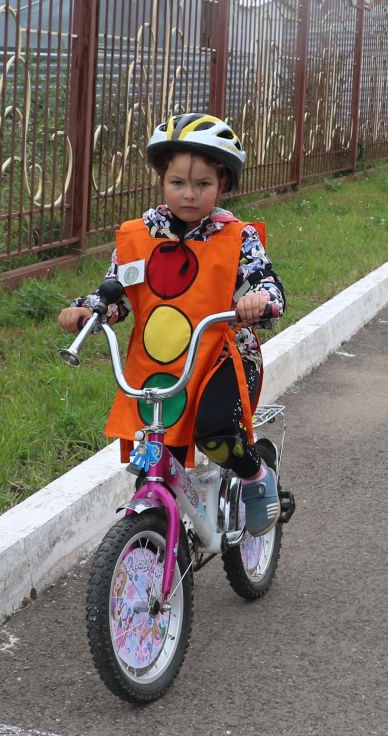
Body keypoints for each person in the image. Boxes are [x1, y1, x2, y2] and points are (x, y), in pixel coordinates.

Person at [57, 113, 286, 533]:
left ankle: (255, 475)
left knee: (215, 432)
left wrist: (259, 300)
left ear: (223, 186)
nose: (189, 194)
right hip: (164, 362)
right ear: (162, 181)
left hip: (223, 358)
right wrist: (89, 311)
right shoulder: (140, 236)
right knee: (153, 440)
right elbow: (116, 293)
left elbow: (268, 285)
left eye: (203, 185)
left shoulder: (237, 237)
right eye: (178, 182)